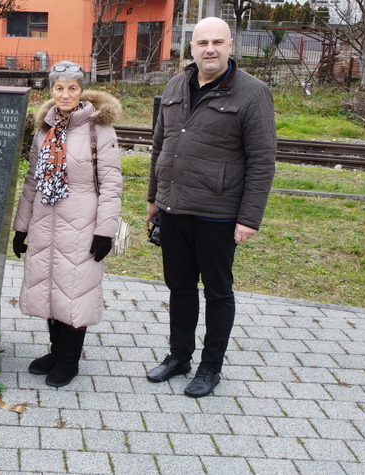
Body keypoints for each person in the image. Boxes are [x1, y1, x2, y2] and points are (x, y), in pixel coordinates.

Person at [145, 17, 277, 397]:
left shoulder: (253, 93)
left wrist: (249, 218)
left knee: (217, 292)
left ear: (231, 46)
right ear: (191, 48)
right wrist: (154, 199)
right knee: (180, 288)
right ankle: (179, 357)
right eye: (202, 42)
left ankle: (210, 367)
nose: (210, 49)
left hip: (218, 214)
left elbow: (262, 160)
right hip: (174, 210)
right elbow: (160, 147)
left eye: (218, 41)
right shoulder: (175, 84)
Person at [12, 61, 123, 387]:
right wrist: (22, 227)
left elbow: (112, 183)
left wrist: (105, 230)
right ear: (51, 91)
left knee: (75, 291)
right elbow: (32, 180)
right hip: (46, 221)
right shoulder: (44, 130)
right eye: (59, 88)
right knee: (50, 288)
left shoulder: (98, 129)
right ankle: (56, 351)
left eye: (72, 88)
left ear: (81, 91)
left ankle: (70, 360)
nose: (65, 94)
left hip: (82, 223)